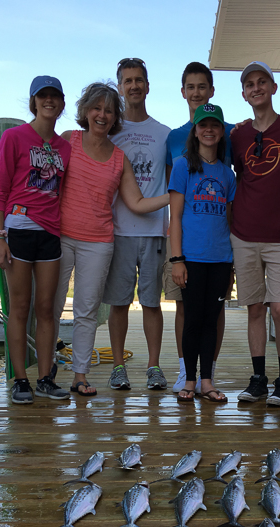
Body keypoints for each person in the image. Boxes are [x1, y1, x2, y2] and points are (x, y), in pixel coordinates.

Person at [53, 81, 170, 396]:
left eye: (108, 110)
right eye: (96, 108)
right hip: (62, 237)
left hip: (99, 242)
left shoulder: (119, 158)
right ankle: (45, 374)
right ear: (85, 111)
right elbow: (41, 172)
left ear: (115, 116)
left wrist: (174, 194)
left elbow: (136, 202)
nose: (102, 115)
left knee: (86, 311)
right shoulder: (68, 141)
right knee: (50, 306)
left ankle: (80, 376)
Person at [0, 76, 71, 404]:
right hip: (19, 227)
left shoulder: (65, 146)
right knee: (20, 307)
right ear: (33, 102)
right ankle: (20, 379)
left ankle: (45, 378)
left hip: (51, 232)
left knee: (47, 309)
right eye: (43, 96)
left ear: (62, 104)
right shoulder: (13, 137)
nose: (49, 101)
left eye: (55, 96)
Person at [231, 61, 280, 407]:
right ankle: (258, 380)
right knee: (255, 309)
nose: (256, 88)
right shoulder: (239, 135)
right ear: (244, 94)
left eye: (262, 82)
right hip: (243, 234)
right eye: (249, 84)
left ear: (273, 88)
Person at [165, 62, 235, 393]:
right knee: (192, 319)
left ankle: (207, 381)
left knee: (211, 319)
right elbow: (175, 216)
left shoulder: (227, 174)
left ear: (221, 132)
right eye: (203, 125)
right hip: (190, 257)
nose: (209, 130)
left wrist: (232, 261)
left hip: (220, 259)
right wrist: (176, 259)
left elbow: (230, 218)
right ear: (195, 131)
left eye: (215, 125)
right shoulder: (181, 167)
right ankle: (188, 380)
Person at [102, 58, 171, 391]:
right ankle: (118, 367)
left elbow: (174, 183)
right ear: (120, 87)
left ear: (148, 85)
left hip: (155, 230)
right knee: (118, 302)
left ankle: (153, 366)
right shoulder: (110, 131)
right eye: (127, 81)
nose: (133, 86)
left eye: (139, 80)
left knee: (152, 303)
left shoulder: (165, 134)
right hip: (118, 230)